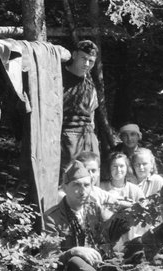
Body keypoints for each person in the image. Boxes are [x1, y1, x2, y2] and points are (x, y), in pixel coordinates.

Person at [44, 161, 128, 271]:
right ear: (65, 188)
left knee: (133, 247)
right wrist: (73, 251)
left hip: (97, 267)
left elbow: (104, 241)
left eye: (86, 185)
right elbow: (50, 259)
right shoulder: (52, 217)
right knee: (75, 261)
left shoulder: (93, 208)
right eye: (76, 185)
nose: (82, 191)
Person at [60, 40, 99, 177]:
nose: (87, 64)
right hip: (65, 138)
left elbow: (91, 113)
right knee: (67, 177)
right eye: (84, 58)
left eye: (91, 61)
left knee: (89, 177)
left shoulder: (89, 83)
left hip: (87, 137)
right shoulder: (58, 77)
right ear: (74, 55)